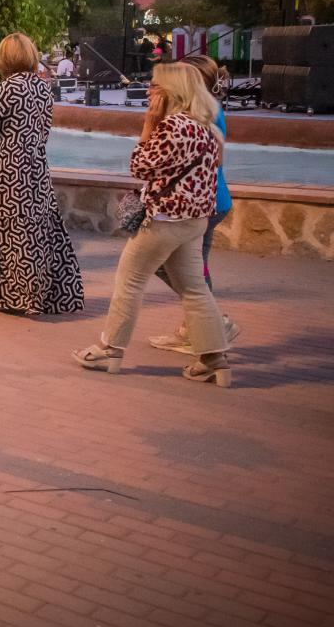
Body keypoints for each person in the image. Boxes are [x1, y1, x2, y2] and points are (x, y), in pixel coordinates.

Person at [73, 62, 233, 386]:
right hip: (194, 220)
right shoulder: (205, 126)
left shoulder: (174, 127)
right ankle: (215, 359)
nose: (149, 90)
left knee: (129, 281)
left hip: (164, 221)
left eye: (156, 86)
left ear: (173, 91)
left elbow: (140, 166)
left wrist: (148, 125)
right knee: (194, 289)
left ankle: (110, 349)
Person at [0, 34, 84, 316]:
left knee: (4, 229)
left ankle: (6, 296)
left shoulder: (5, 89)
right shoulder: (43, 88)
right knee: (35, 229)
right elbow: (43, 129)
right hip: (36, 167)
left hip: (7, 169)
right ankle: (38, 295)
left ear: (4, 58)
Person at [150, 54, 241, 352]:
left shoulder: (197, 115)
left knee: (168, 262)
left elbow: (154, 161)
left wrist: (153, 122)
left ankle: (212, 324)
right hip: (212, 201)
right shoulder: (204, 110)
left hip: (202, 203)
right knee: (192, 267)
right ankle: (198, 329)